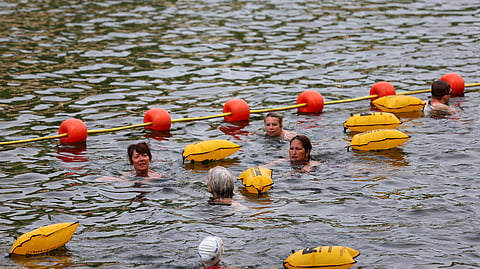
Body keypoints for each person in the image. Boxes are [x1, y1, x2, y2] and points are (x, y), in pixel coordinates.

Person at [97, 142, 162, 181]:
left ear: (150, 159)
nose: (141, 159)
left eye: (144, 155)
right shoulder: (128, 175)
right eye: (137, 157)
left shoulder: (157, 177)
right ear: (131, 161)